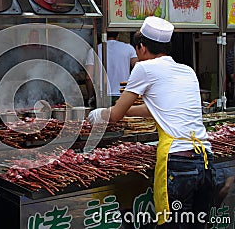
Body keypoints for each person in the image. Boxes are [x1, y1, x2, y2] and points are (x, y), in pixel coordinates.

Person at [88, 17, 215, 228]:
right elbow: (154, 109)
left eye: (137, 51)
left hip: (178, 163)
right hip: (204, 160)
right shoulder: (187, 70)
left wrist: (101, 114)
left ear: (142, 48)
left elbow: (116, 115)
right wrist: (124, 113)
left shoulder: (144, 68)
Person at [85, 32, 138, 107]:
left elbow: (88, 77)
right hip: (124, 95)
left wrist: (90, 97)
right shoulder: (129, 48)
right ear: (118, 36)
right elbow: (137, 69)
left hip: (102, 96)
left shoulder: (94, 50)